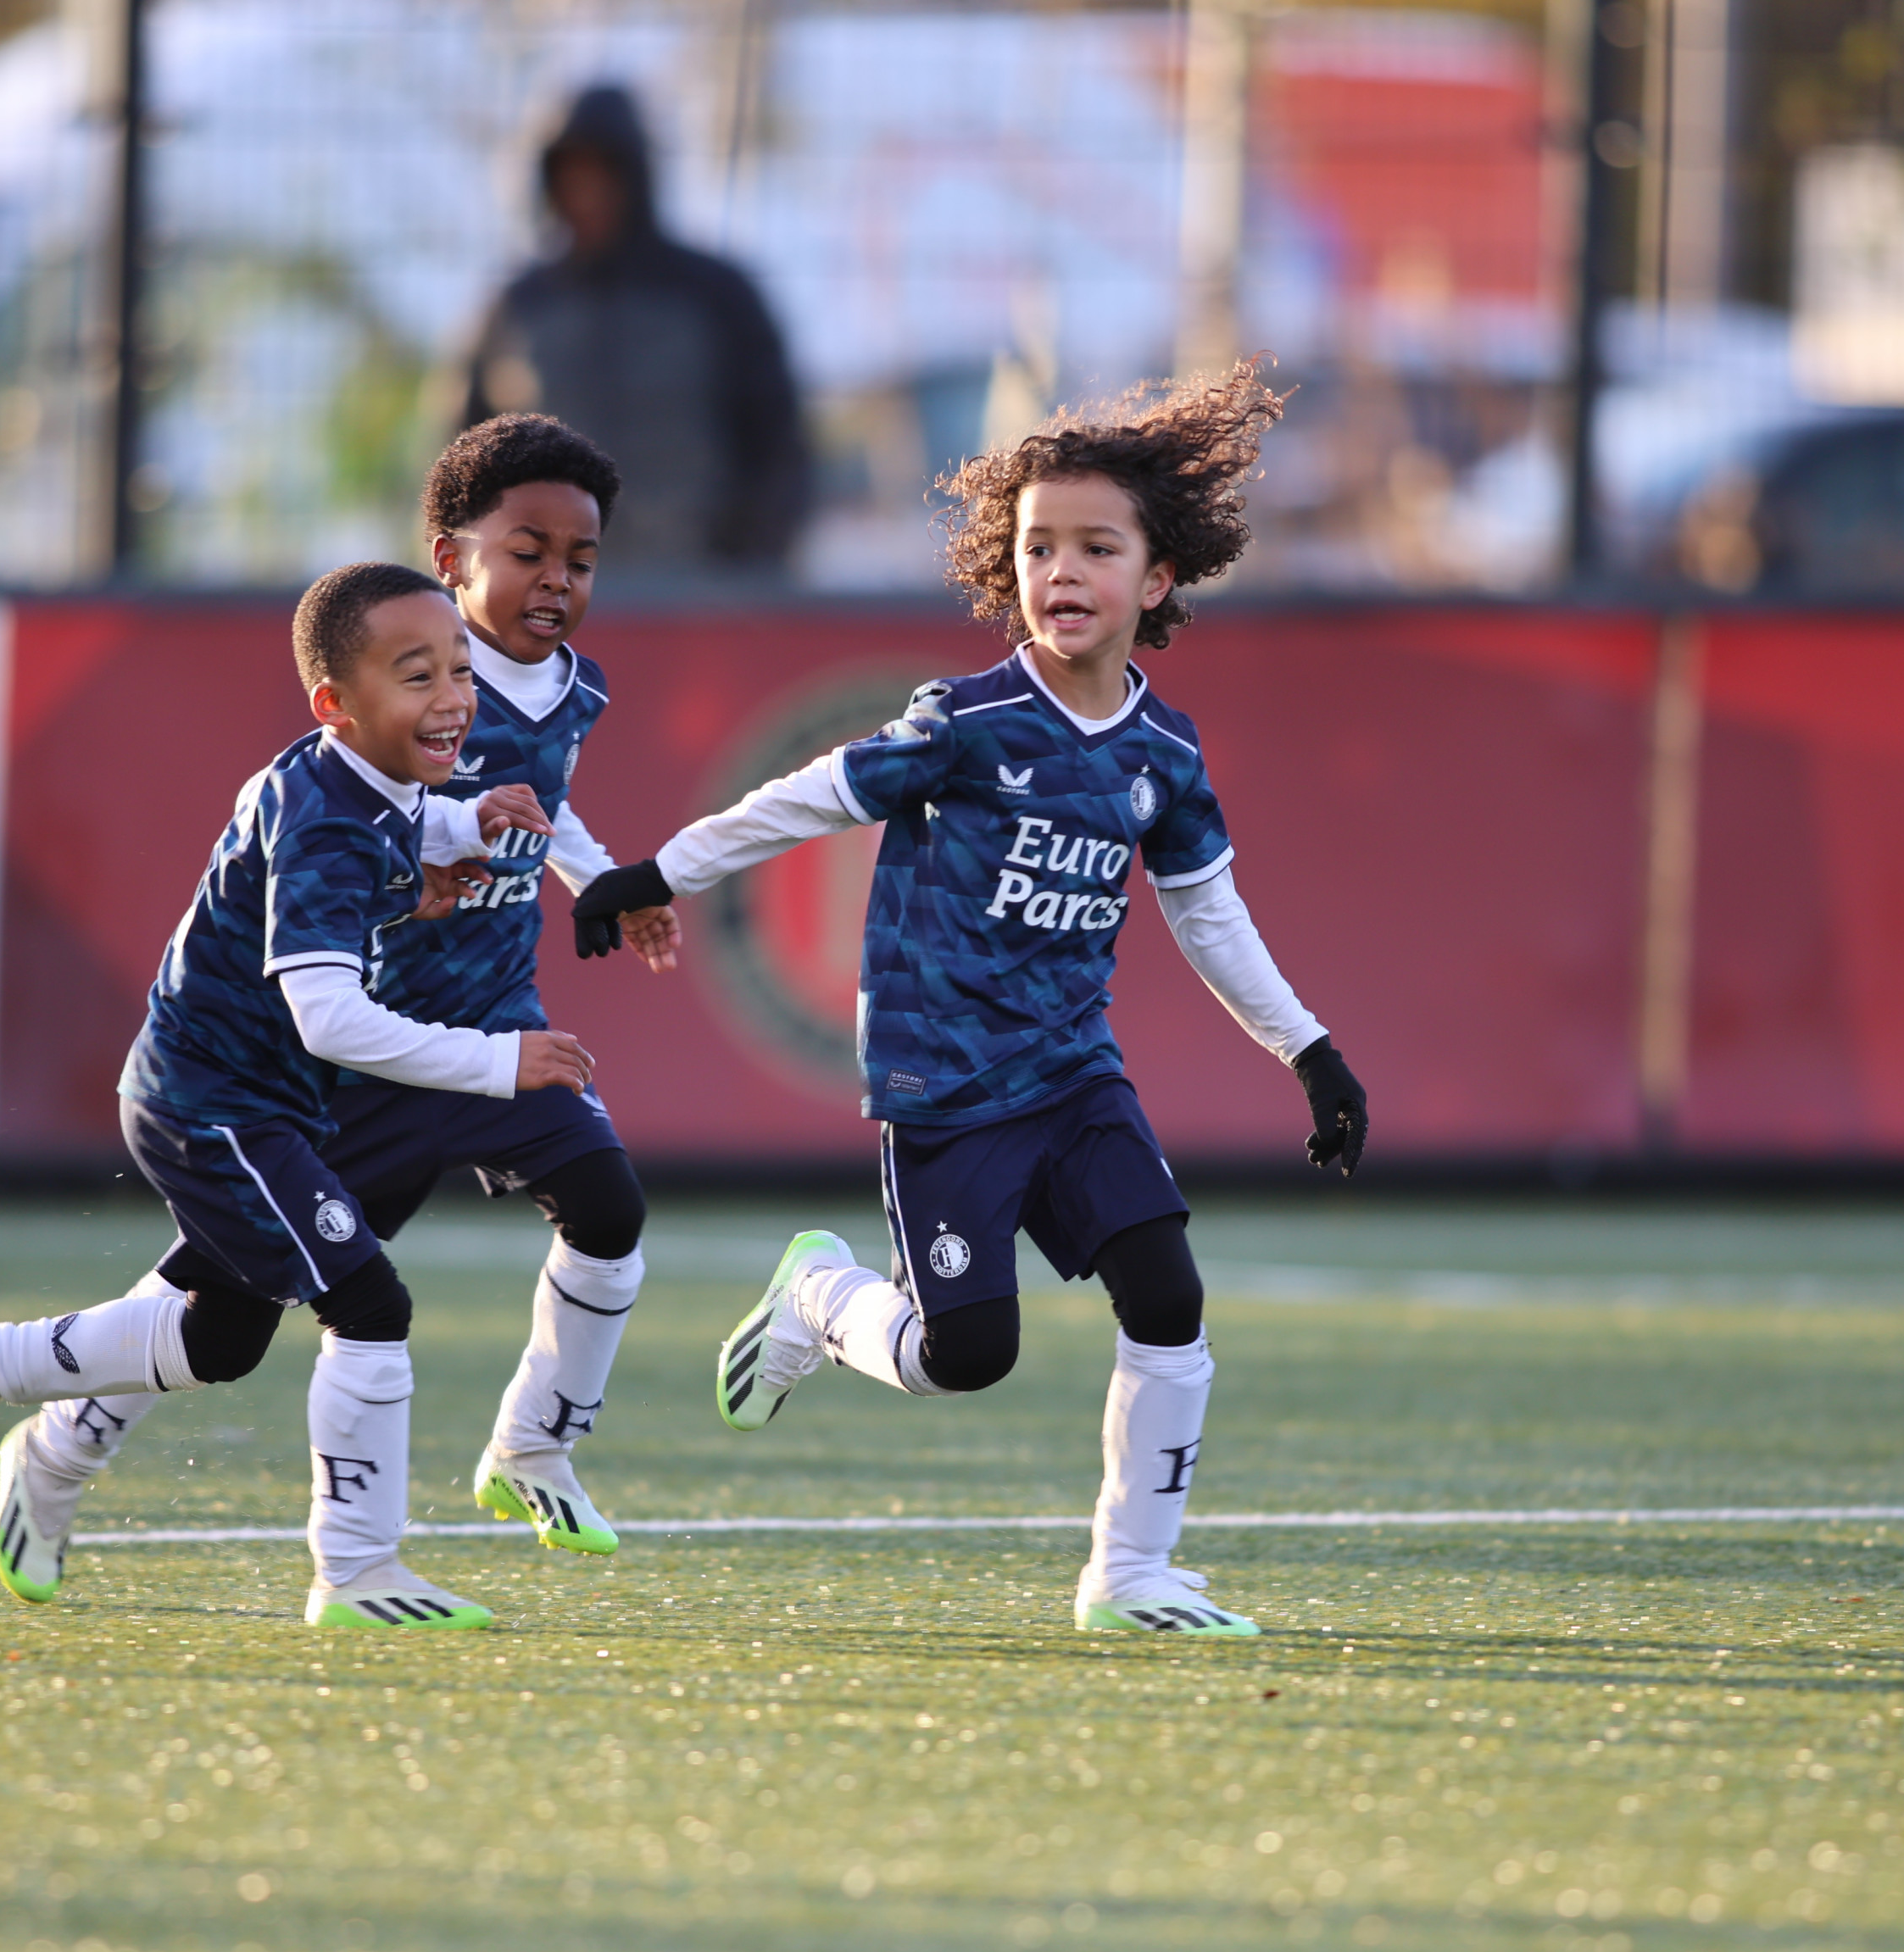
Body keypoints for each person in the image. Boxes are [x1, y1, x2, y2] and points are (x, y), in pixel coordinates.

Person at [569, 364, 1369, 1638]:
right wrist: (654, 872)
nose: (1062, 568)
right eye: (1038, 543)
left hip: (1076, 1077)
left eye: (1096, 547)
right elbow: (813, 795)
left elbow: (1207, 911)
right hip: (947, 1089)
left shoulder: (1164, 757)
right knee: (967, 1356)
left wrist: (1309, 1052)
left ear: (1156, 581)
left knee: (1167, 1294)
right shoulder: (970, 723)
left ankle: (1130, 1573)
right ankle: (821, 1299)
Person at [0, 562, 593, 1632]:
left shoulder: (359, 783)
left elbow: (390, 834)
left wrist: (461, 826)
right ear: (336, 707)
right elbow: (330, 1020)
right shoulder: (332, 821)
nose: (451, 697)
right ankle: (354, 1571)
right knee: (369, 1303)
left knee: (223, 1339)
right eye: (416, 675)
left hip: (256, 1105)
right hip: (214, 1104)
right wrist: (498, 1061)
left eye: (456, 669)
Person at [318, 413, 679, 1559]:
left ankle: (533, 1447)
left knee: (611, 1209)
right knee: (243, 1292)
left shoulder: (577, 689)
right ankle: (70, 1423)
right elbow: (329, 822)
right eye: (527, 550)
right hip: (367, 1038)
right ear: (450, 557)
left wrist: (603, 880)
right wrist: (424, 857)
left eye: (580, 560)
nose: (556, 580)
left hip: (499, 1028)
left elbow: (544, 800)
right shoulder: (406, 684)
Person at [460, 84, 807, 574]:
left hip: (694, 592)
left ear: (635, 177)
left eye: (603, 174)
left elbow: (778, 449)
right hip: (544, 599)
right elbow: (459, 457)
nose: (587, 194)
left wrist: (751, 572)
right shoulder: (517, 308)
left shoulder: (716, 297)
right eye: (572, 176)